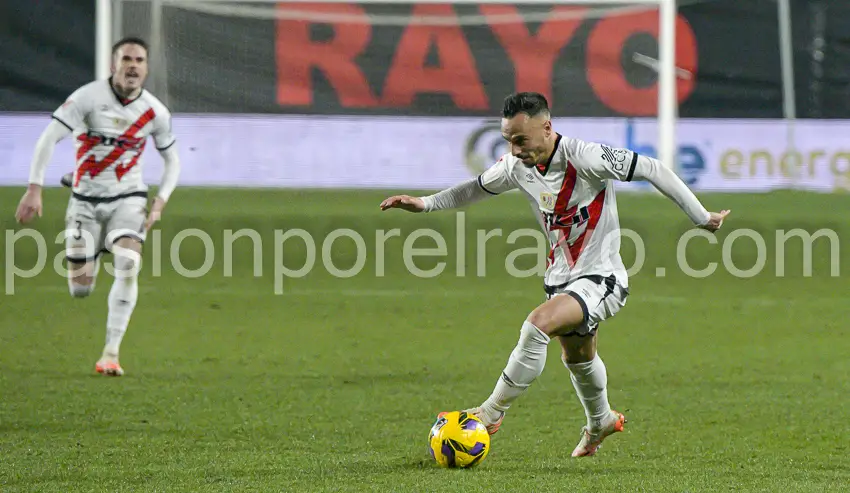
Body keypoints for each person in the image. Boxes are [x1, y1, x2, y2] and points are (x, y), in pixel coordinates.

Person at [380, 92, 729, 457]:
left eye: (520, 140)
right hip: (560, 278)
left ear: (546, 128)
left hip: (602, 278)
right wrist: (424, 204)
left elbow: (653, 168)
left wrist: (701, 217)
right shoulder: (517, 166)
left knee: (537, 324)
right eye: (508, 141)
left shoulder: (586, 156)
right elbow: (475, 188)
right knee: (578, 356)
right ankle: (601, 421)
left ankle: (491, 412)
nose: (514, 149)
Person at [14, 36, 181, 377]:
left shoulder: (155, 111)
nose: (133, 66)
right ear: (113, 64)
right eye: (126, 59)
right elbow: (48, 138)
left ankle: (110, 353)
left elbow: (172, 161)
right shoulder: (87, 98)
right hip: (85, 201)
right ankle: (97, 245)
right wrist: (34, 189)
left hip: (129, 198)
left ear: (146, 68)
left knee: (128, 262)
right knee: (81, 288)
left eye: (139, 60)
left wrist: (159, 202)